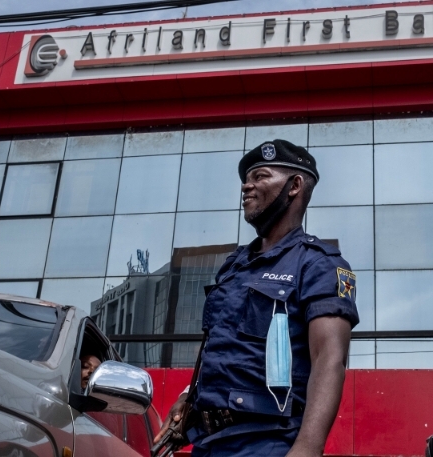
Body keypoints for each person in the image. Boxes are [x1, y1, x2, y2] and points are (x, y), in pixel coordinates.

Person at [153, 139, 359, 457]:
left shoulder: (319, 263)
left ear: (294, 186)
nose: (246, 187)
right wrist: (189, 395)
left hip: (266, 443)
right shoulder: (234, 265)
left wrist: (308, 447)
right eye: (246, 180)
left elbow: (329, 359)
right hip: (207, 442)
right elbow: (219, 347)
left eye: (259, 177)